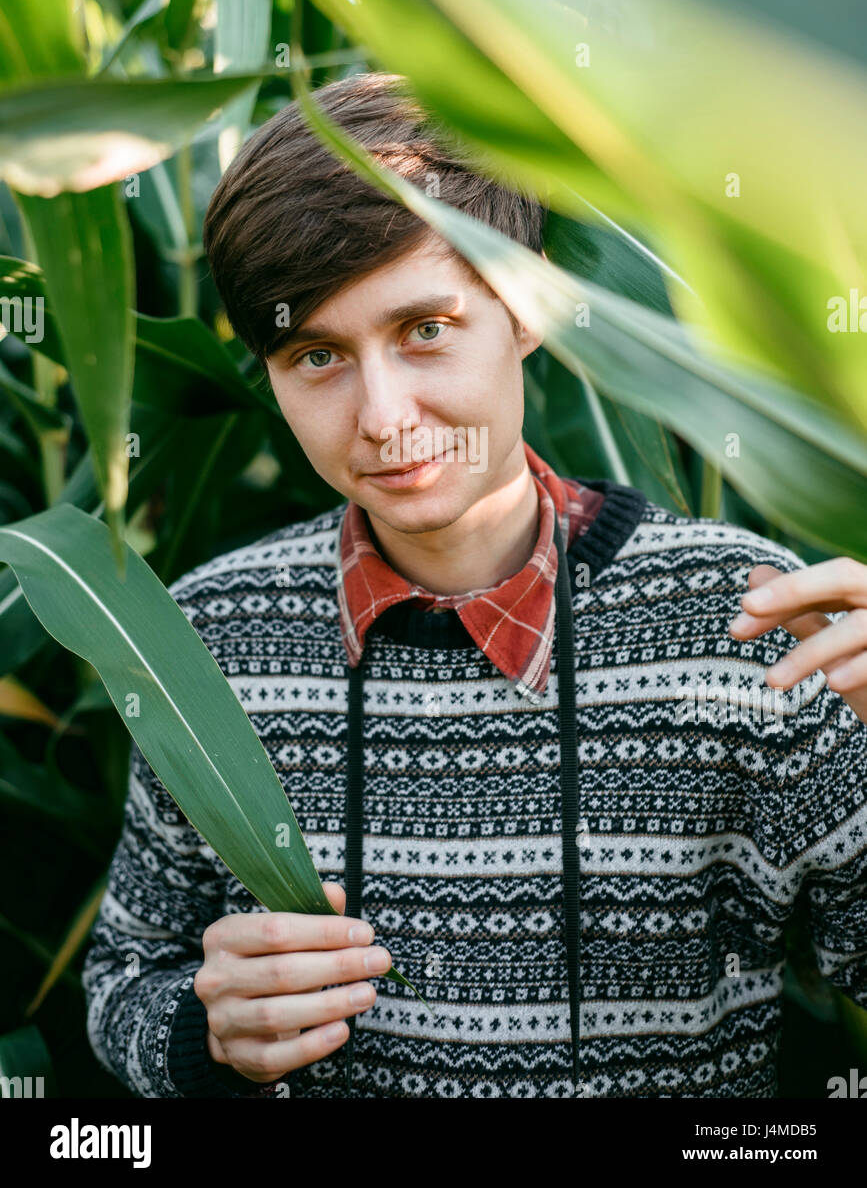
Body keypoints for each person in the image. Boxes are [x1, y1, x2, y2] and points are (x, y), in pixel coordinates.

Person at [82, 71, 867, 1099]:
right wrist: (204, 1034)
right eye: (317, 353)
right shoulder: (206, 641)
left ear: (527, 307)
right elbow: (123, 978)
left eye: (424, 330)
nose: (384, 415)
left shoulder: (756, 622)